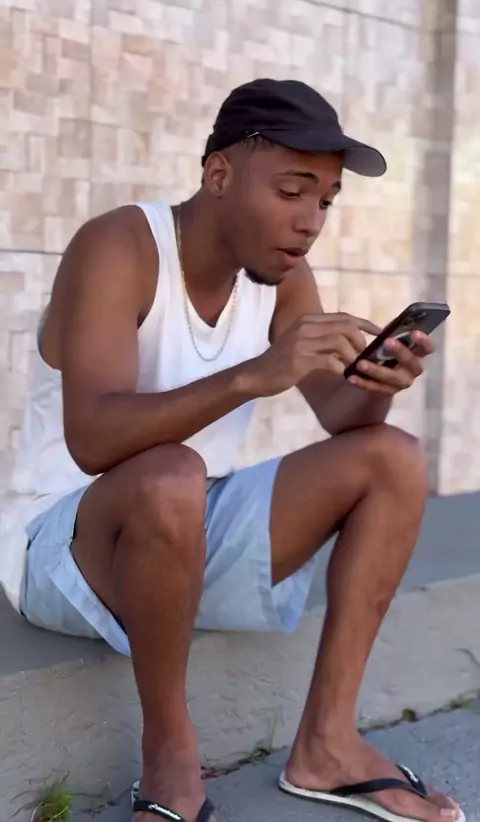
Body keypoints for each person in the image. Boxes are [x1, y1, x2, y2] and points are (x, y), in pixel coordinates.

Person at [0, 79, 463, 822]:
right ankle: (171, 762)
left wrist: (378, 382)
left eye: (326, 201)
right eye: (292, 191)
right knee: (172, 475)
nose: (310, 221)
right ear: (219, 174)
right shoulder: (121, 246)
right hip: (66, 549)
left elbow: (344, 420)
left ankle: (328, 745)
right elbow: (92, 440)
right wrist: (252, 376)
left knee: (392, 458)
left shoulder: (284, 279)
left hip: (187, 532)